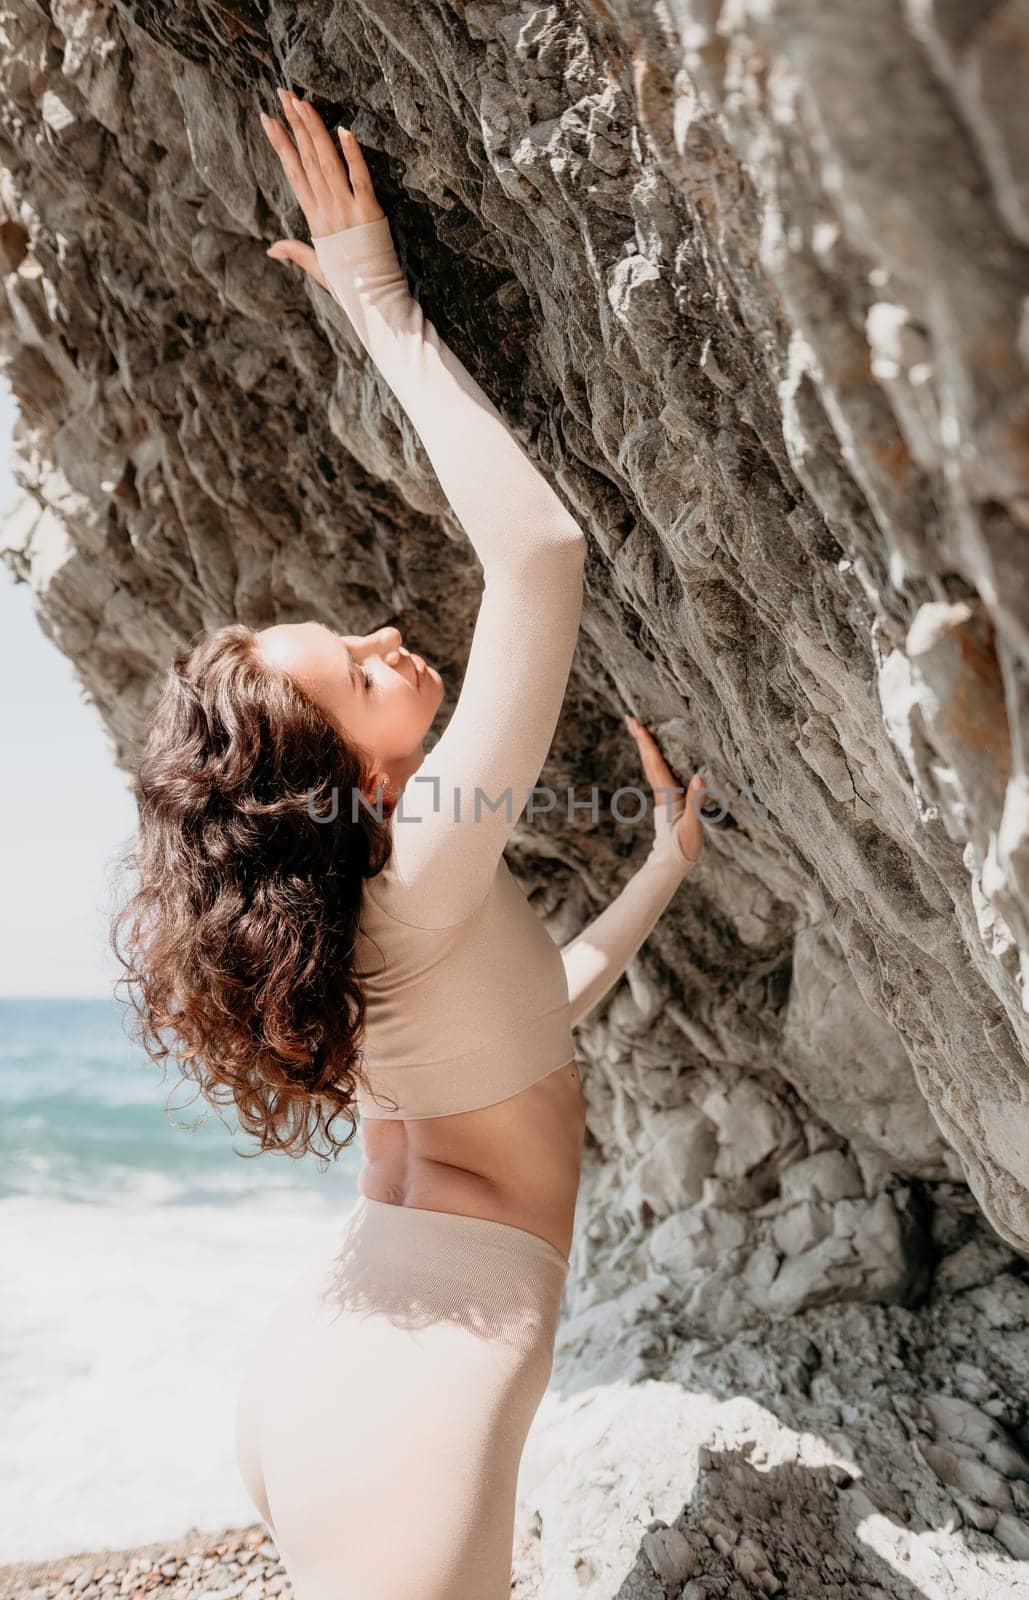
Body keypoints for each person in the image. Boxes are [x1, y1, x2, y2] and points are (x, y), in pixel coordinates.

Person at [112, 88, 705, 1600]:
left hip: (342, 1343)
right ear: (343, 775)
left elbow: (516, 1028)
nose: (387, 641)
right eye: (360, 673)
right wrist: (377, 297)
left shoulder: (345, 918)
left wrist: (659, 873)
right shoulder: (412, 862)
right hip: (416, 1394)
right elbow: (542, 556)